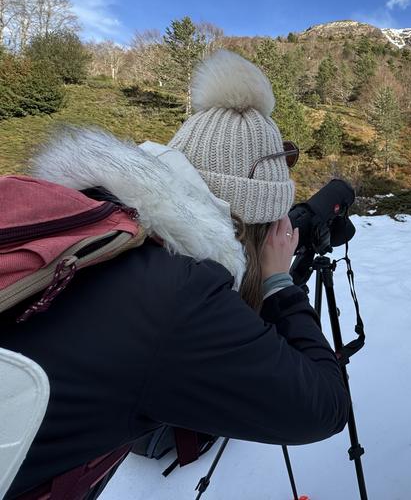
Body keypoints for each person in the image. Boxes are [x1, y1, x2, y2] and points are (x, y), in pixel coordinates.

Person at [0, 50, 350, 499]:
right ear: (251, 223)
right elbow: (325, 408)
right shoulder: (180, 297)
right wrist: (279, 283)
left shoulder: (97, 221)